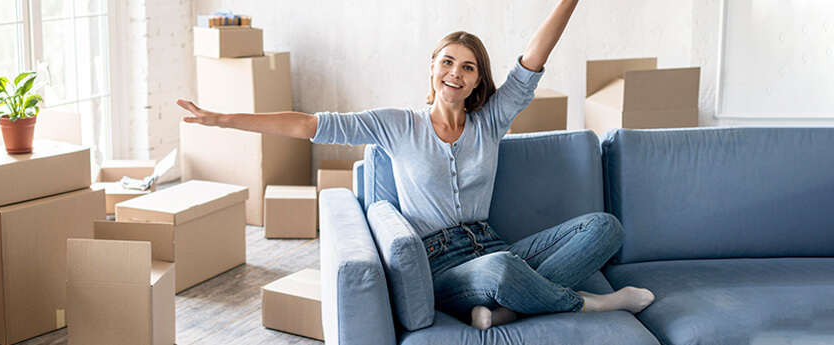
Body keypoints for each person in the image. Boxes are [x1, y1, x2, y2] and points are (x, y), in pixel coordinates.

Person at [177, 0, 654, 330]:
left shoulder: (490, 122)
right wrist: (222, 119)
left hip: (492, 244)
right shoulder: (397, 126)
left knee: (605, 227)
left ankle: (512, 312)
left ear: (476, 82)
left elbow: (532, 61)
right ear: (432, 68)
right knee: (502, 272)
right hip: (442, 264)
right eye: (447, 62)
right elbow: (309, 125)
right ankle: (587, 304)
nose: (456, 72)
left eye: (468, 67)